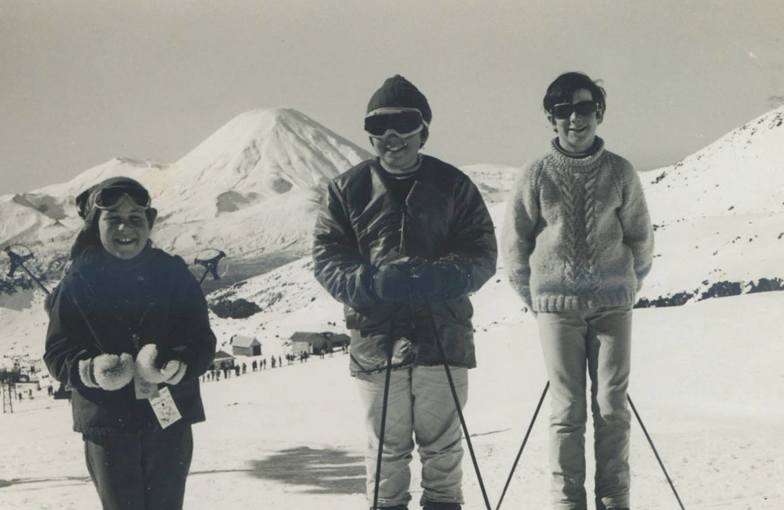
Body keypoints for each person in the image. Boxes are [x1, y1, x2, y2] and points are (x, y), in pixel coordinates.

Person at [313, 75, 497, 510]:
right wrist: (373, 283)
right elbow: (327, 259)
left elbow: (481, 254)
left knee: (443, 453)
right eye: (378, 128)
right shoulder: (346, 190)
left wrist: (438, 277)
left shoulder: (454, 186)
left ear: (423, 130)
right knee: (385, 455)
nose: (391, 138)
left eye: (403, 125)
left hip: (442, 337)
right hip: (377, 340)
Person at [502, 72, 654, 510]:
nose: (575, 120)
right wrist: (540, 300)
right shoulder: (535, 175)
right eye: (563, 112)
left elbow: (640, 239)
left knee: (611, 408)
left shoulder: (620, 172)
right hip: (557, 312)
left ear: (599, 113)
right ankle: (568, 503)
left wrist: (624, 287)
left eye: (584, 109)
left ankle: (614, 500)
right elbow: (515, 245)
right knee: (567, 412)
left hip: (612, 309)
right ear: (551, 119)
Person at [43, 177, 217, 510]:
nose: (126, 228)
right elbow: (57, 351)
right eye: (114, 219)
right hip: (108, 423)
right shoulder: (78, 281)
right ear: (97, 226)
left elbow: (201, 339)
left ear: (149, 224)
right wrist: (91, 369)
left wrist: (179, 363)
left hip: (168, 416)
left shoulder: (172, 274)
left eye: (136, 218)